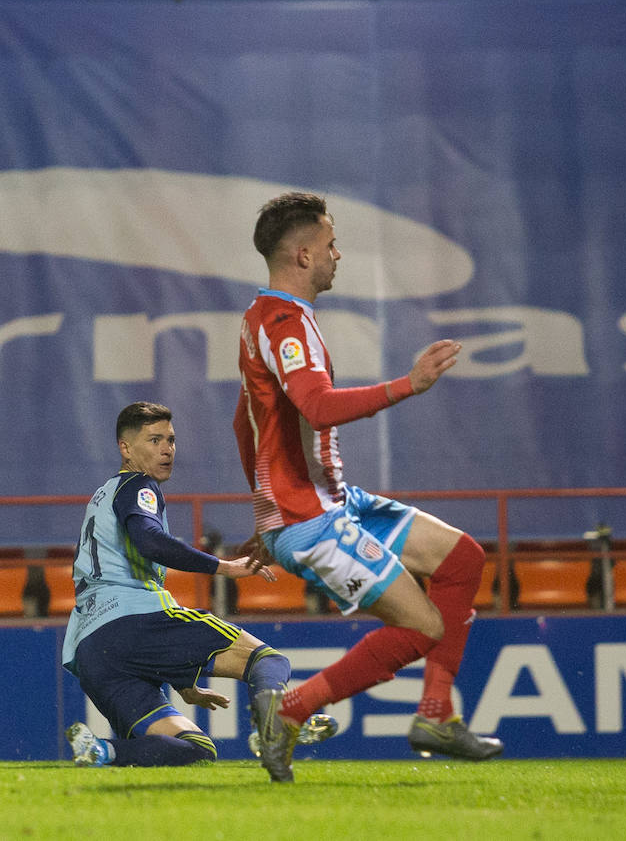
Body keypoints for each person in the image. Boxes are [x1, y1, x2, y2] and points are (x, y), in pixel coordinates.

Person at [234, 192, 502, 760]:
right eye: (331, 244)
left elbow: (245, 422)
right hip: (310, 517)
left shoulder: (265, 317)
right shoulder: (285, 324)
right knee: (424, 627)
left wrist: (265, 512)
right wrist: (409, 385)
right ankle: (289, 711)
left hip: (327, 502)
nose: (338, 254)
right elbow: (318, 408)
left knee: (461, 559)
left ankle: (436, 716)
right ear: (304, 255)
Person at [62, 401, 335, 782]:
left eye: (171, 440)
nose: (166, 449)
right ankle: (276, 724)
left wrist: (183, 681)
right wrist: (224, 566)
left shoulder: (103, 495)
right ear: (126, 448)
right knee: (269, 662)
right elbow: (150, 541)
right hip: (134, 620)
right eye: (154, 440)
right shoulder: (139, 486)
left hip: (92, 651)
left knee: (195, 748)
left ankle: (101, 750)